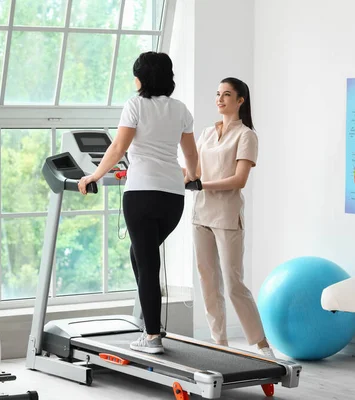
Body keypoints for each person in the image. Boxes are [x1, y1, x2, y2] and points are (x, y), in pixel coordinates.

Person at [77, 51, 199, 354]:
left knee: (147, 263)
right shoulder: (180, 109)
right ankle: (150, 322)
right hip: (173, 197)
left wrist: (93, 175)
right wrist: (193, 177)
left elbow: (119, 147)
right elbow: (192, 155)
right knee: (141, 255)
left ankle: (153, 335)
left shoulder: (135, 105)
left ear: (141, 78)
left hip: (142, 193)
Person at [187, 77, 276, 359]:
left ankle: (261, 344)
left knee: (234, 283)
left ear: (240, 101)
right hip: (201, 214)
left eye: (227, 95)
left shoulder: (246, 135)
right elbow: (195, 172)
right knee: (208, 281)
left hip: (226, 216)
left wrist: (202, 185)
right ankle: (219, 343)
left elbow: (239, 179)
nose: (220, 99)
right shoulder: (206, 133)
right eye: (217, 94)